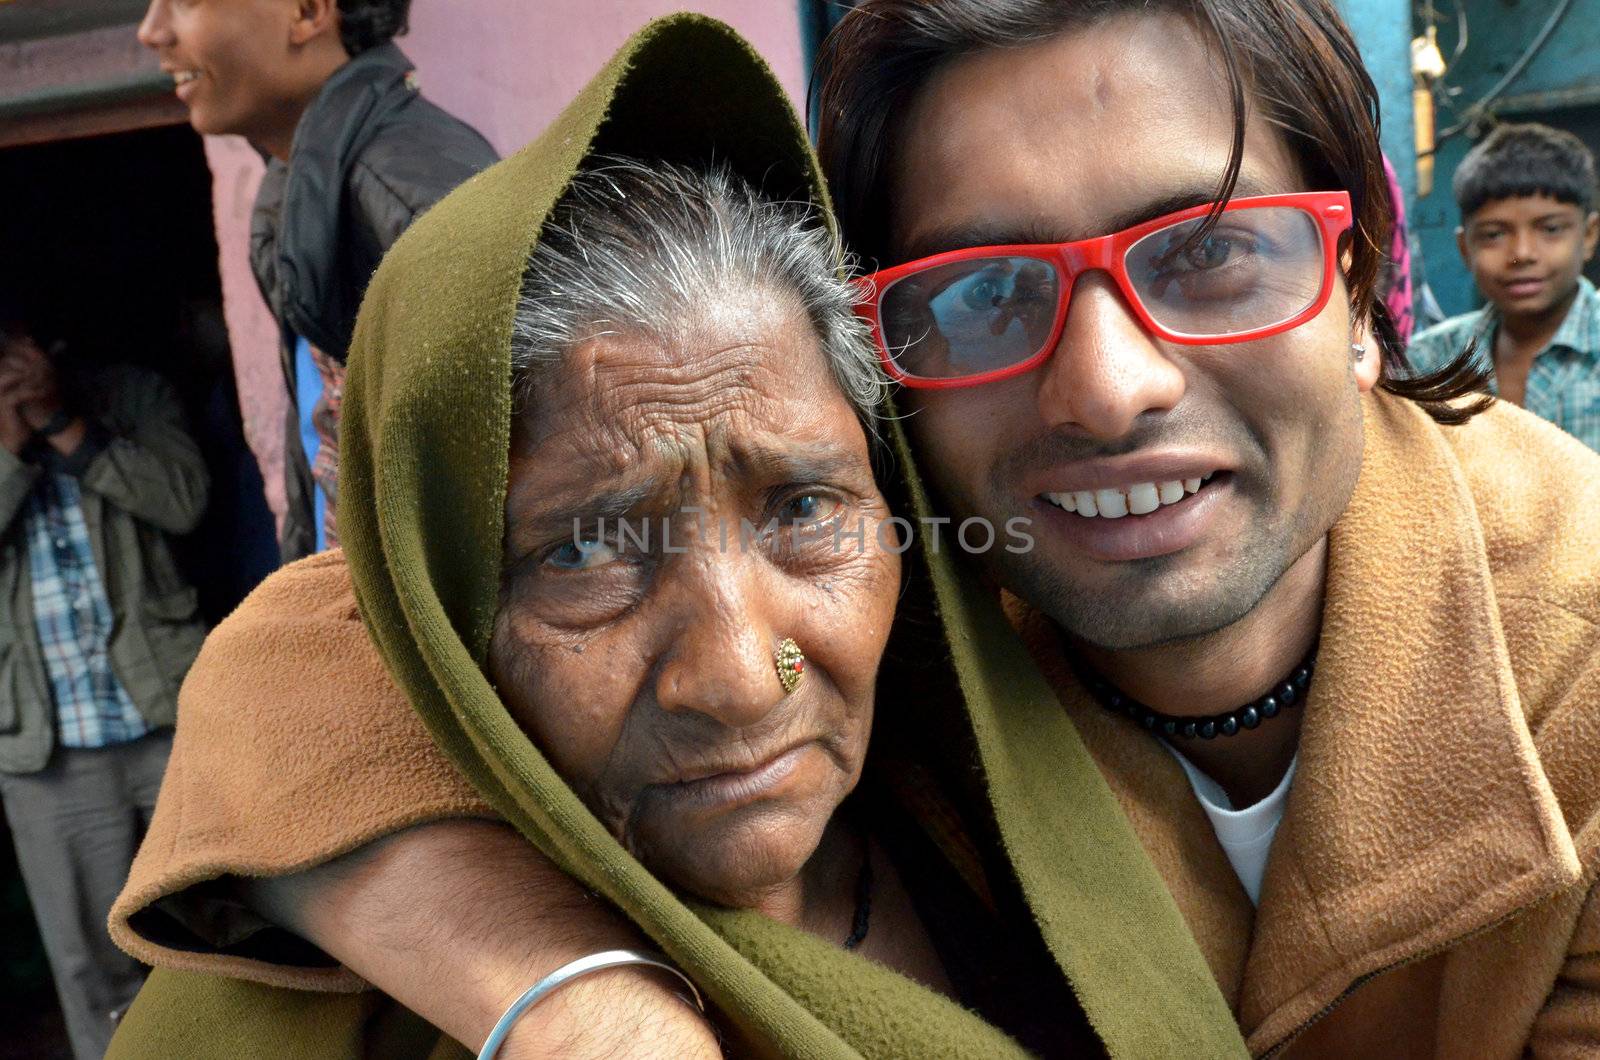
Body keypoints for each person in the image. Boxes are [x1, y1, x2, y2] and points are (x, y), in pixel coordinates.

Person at [114, 1, 1600, 1056]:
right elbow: (338, 634)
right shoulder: (933, 608)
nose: (1107, 386)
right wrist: (562, 991)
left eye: (1211, 253)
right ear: (889, 379)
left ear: (1362, 296)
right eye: (982, 290)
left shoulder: (1574, 660)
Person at [137, 0, 498, 559]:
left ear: (307, 11)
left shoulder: (414, 196)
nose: (150, 31)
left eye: (184, 2)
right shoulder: (295, 195)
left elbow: (516, 491)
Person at [0, 307, 209, 1059]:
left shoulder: (131, 395)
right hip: (49, 756)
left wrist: (65, 425)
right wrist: (10, 450)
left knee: (235, 935)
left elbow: (183, 500)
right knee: (97, 977)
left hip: (172, 720)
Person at [1408, 122, 1600, 451]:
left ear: (1588, 236)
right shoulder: (1430, 362)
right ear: (1465, 249)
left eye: (1551, 229)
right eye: (1494, 234)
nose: (1521, 254)